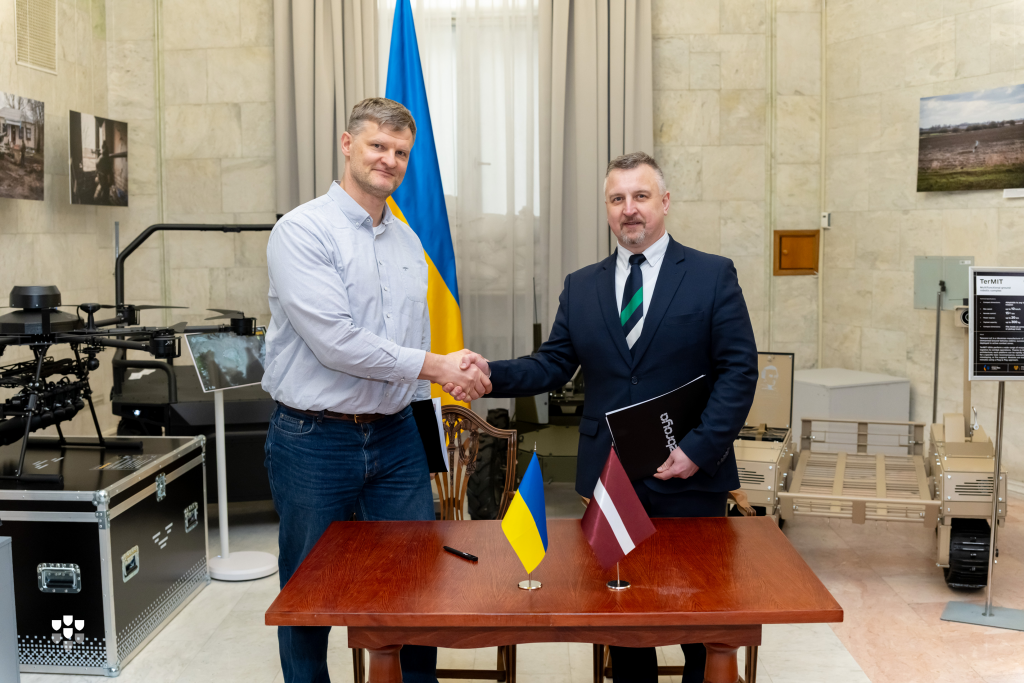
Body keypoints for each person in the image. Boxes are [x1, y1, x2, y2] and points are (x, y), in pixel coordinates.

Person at [447, 152, 758, 683]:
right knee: (620, 615)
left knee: (698, 617)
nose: (629, 209)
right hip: (611, 479)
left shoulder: (711, 275)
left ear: (664, 202)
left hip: (689, 475)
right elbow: (552, 364)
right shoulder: (582, 285)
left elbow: (739, 370)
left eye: (640, 196)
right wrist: (487, 373)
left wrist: (699, 448)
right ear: (607, 208)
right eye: (617, 199)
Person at [262, 97, 491, 683]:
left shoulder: (408, 243)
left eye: (401, 152)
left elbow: (414, 349)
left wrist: (430, 445)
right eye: (377, 146)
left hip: (397, 441)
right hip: (315, 440)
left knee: (416, 582)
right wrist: (440, 366)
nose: (389, 159)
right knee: (310, 591)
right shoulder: (302, 231)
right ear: (347, 145)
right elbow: (337, 343)